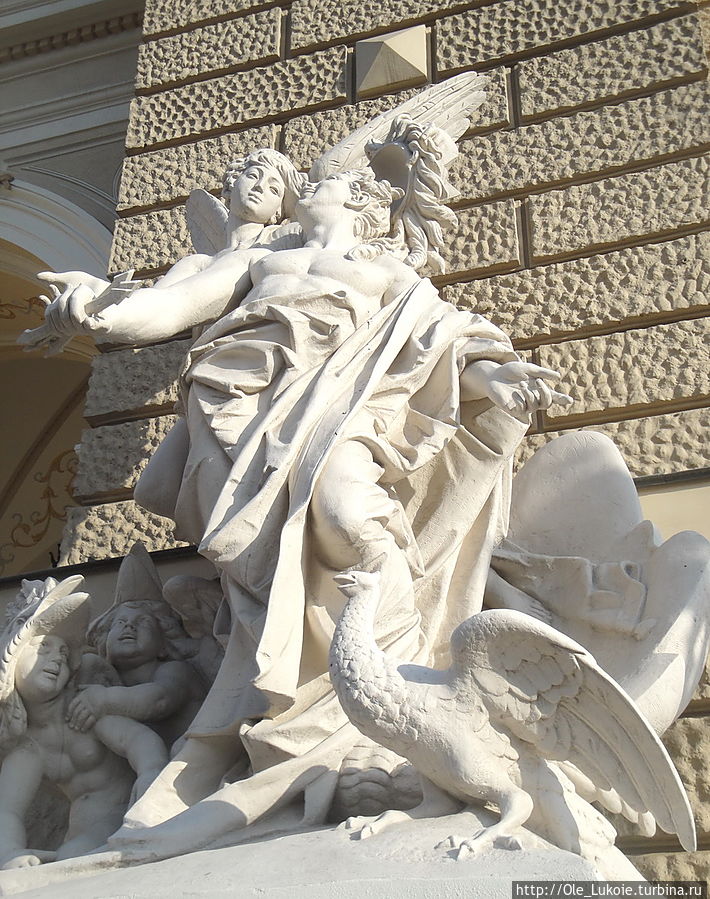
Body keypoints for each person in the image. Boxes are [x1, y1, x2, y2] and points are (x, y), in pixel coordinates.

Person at [31, 168, 571, 856]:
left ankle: (392, 687)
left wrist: (496, 375)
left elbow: (441, 338)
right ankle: (280, 714)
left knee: (348, 516)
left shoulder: (384, 271)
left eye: (325, 180)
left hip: (335, 410)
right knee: (256, 570)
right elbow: (171, 305)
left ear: (362, 201)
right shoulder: (259, 259)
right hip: (231, 414)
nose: (306, 184)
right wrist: (93, 311)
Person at [0, 576, 168, 869]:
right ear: (12, 657)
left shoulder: (83, 706)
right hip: (81, 837)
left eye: (64, 653)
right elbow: (8, 812)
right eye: (44, 647)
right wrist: (9, 854)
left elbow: (139, 740)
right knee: (65, 858)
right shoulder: (27, 748)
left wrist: (151, 778)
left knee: (69, 857)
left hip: (129, 813)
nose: (57, 658)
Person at [67, 543, 208, 750]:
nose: (129, 626)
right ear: (104, 642)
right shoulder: (105, 677)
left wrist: (103, 699)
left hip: (190, 759)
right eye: (120, 622)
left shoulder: (175, 670)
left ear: (163, 643)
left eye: (143, 621)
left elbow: (159, 700)